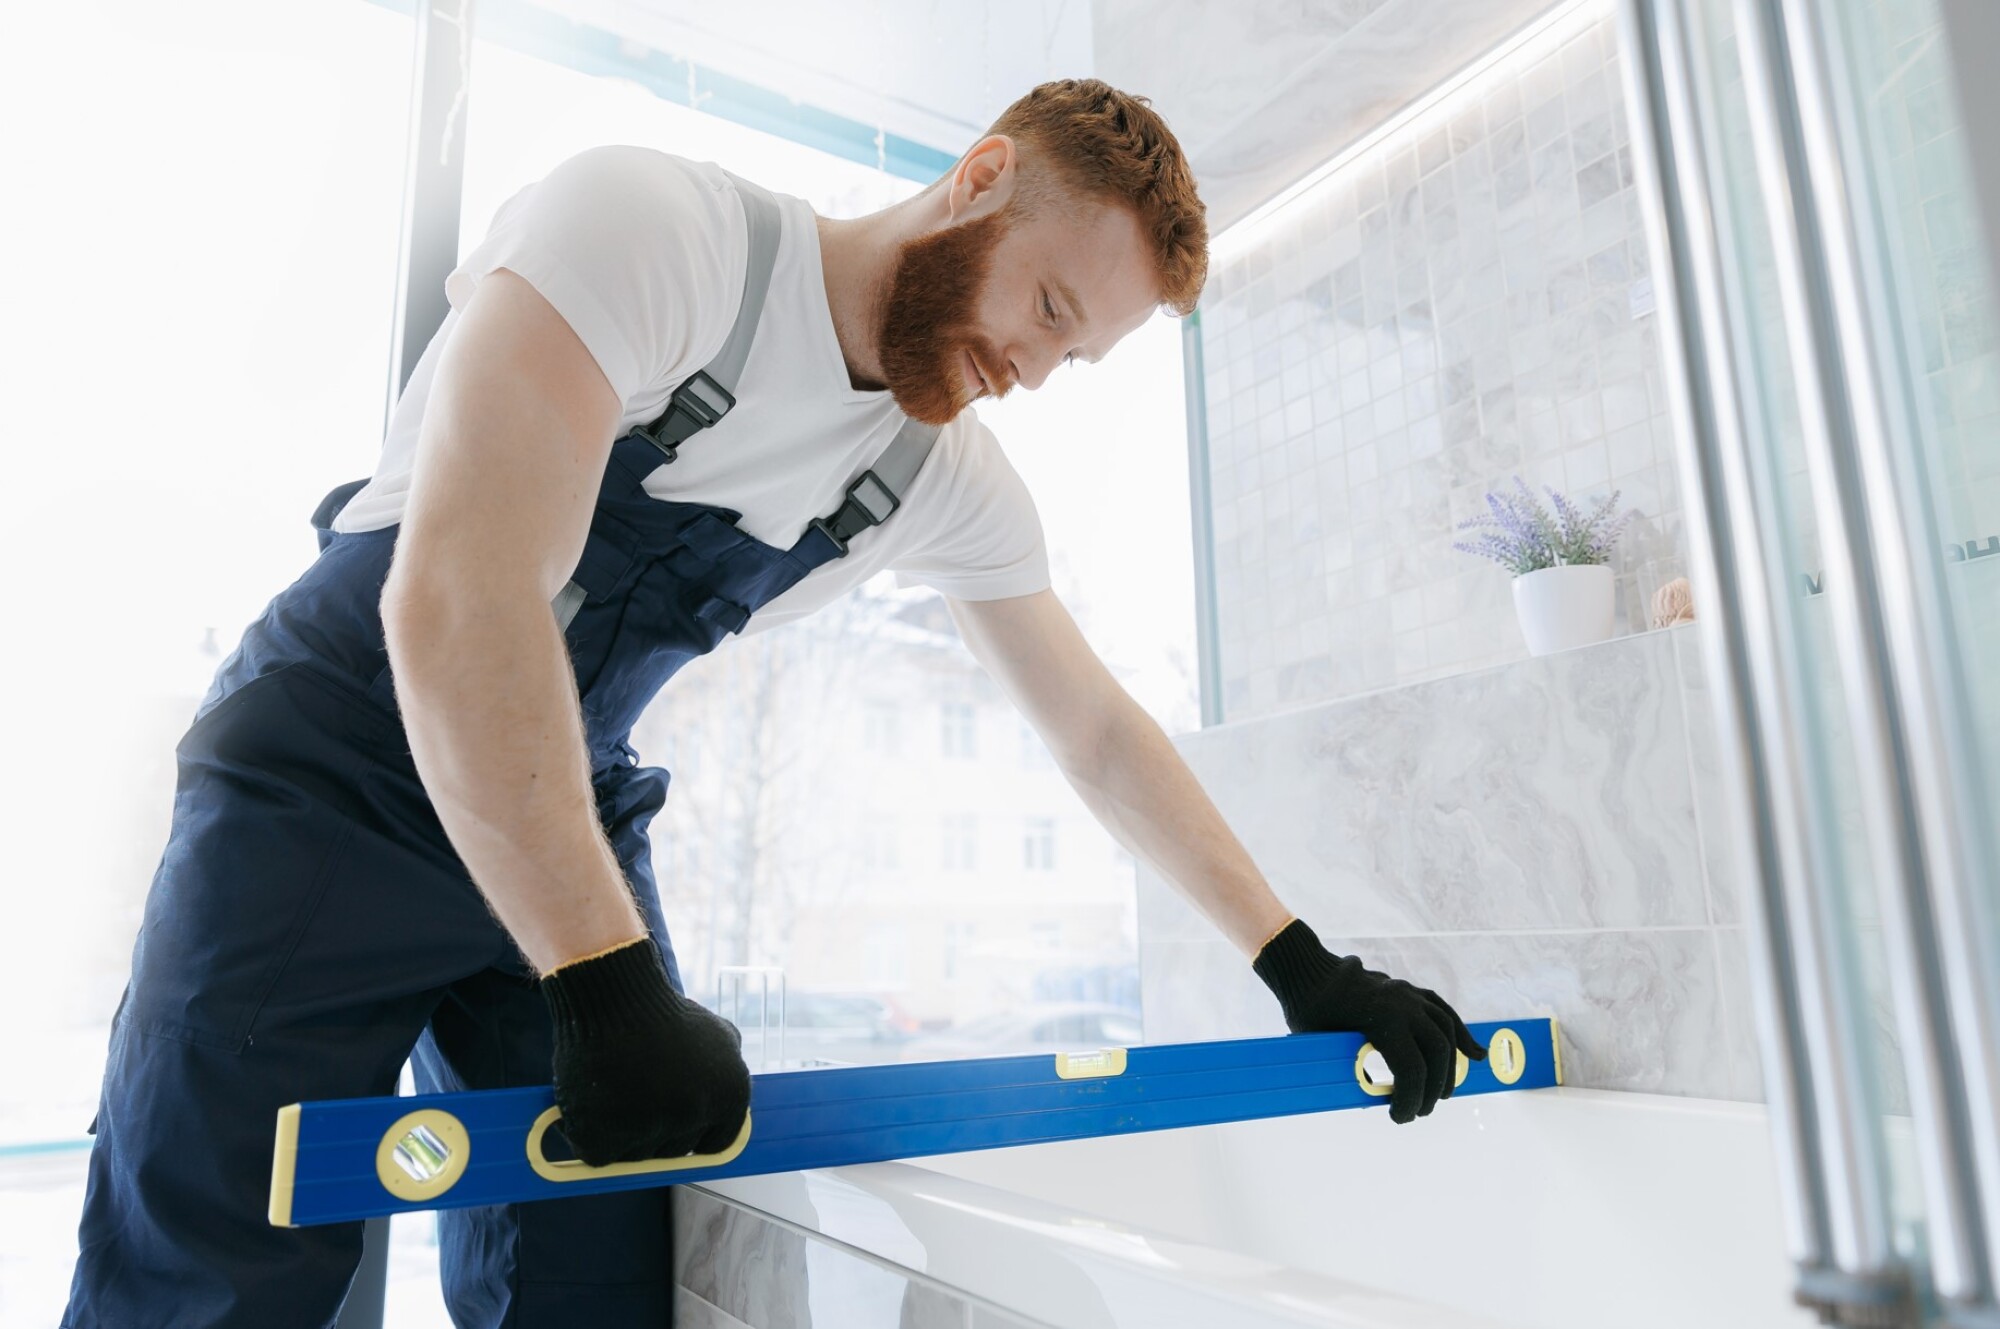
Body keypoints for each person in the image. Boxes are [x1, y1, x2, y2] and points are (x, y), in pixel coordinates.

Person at [63, 78, 1485, 1328]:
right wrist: (609, 988)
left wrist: (1300, 963)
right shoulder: (655, 232)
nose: (1034, 373)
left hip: (563, 798)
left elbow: (1101, 734)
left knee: (597, 1271)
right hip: (333, 773)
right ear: (981, 175)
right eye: (1049, 309)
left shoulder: (934, 474)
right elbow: (459, 599)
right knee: (210, 1274)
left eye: (1076, 357)